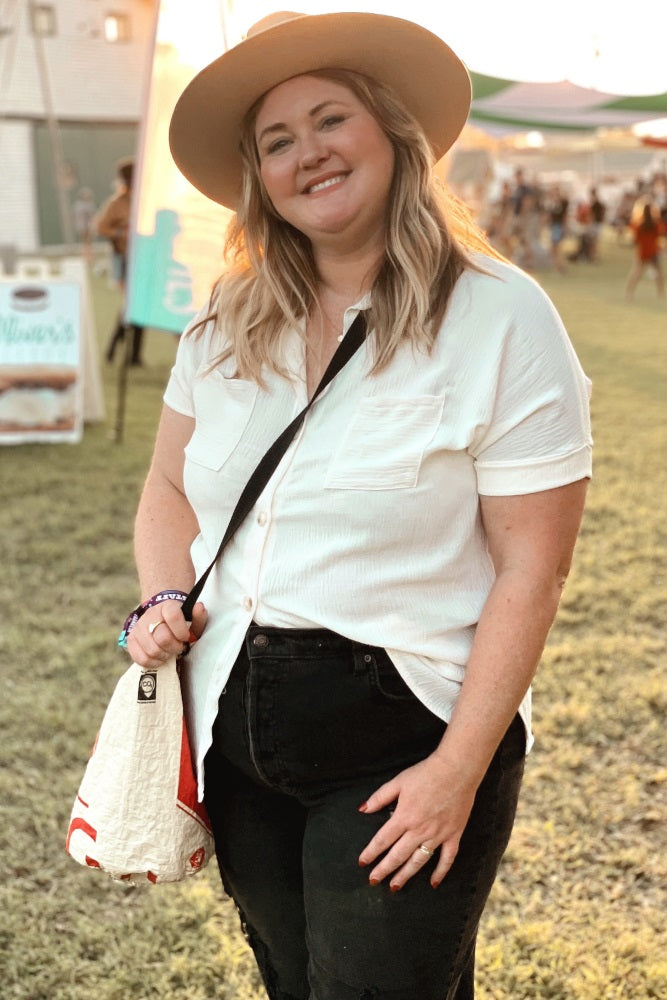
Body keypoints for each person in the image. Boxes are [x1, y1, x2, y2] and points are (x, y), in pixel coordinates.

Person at [123, 11, 592, 999]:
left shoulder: (499, 316)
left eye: (329, 119)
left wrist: (457, 770)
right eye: (277, 141)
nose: (309, 155)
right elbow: (168, 485)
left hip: (407, 740)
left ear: (389, 133)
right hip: (233, 739)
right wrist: (161, 595)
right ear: (258, 178)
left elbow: (531, 566)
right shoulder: (221, 320)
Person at [94, 157, 145, 365]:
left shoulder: (144, 199)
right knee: (131, 305)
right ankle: (116, 350)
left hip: (140, 257)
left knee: (137, 305)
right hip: (122, 258)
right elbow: (101, 227)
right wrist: (120, 232)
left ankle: (131, 356)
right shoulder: (117, 203)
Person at [625, 198, 665, 300]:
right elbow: (659, 236)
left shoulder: (639, 225)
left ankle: (629, 293)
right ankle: (661, 293)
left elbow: (635, 240)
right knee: (659, 274)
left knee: (636, 273)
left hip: (643, 252)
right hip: (653, 252)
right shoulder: (655, 224)